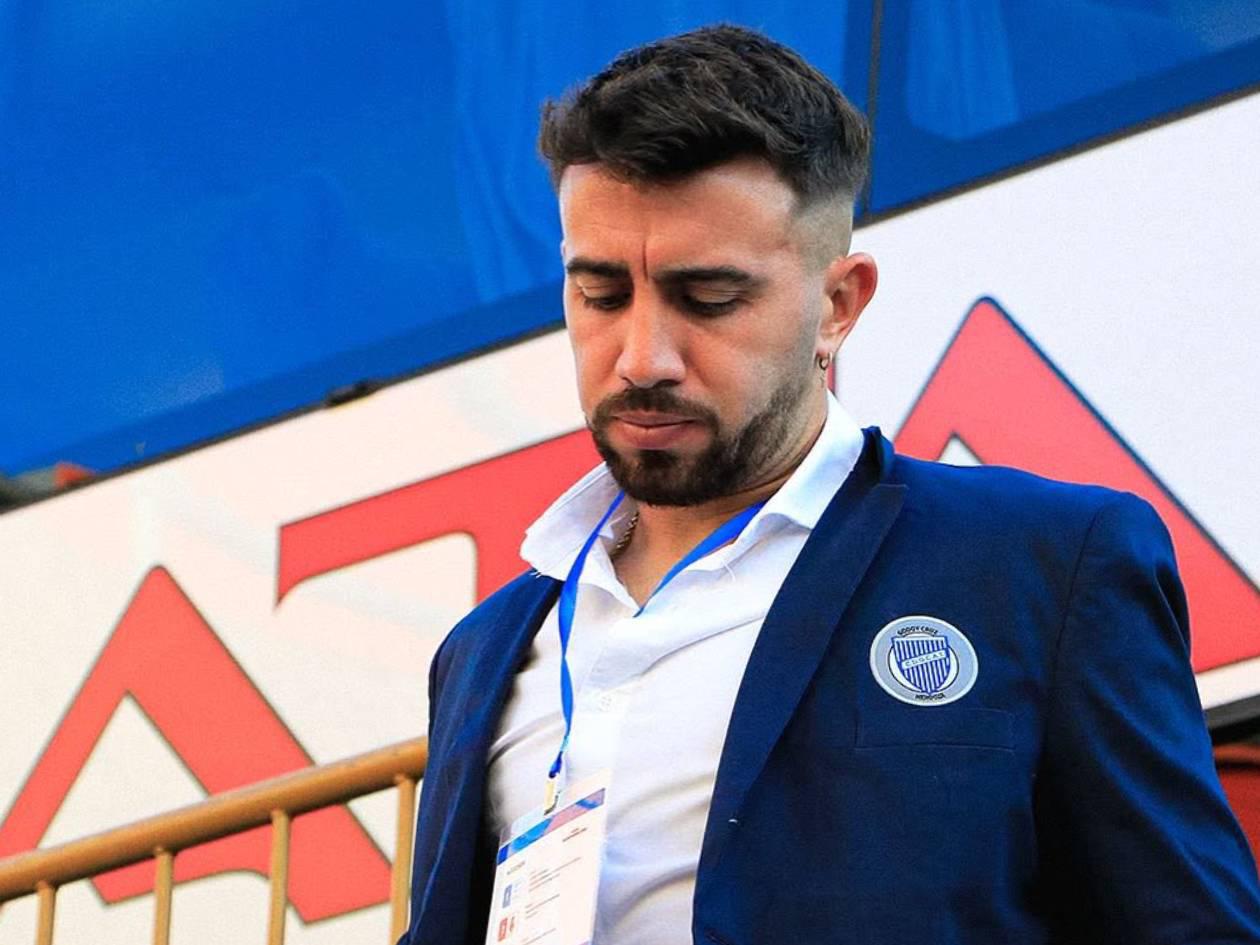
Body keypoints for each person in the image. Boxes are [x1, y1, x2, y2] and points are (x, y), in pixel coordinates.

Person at [398, 24, 1260, 945]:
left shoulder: (1045, 565)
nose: (642, 357)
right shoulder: (479, 652)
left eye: (708, 297)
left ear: (838, 305)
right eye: (601, 295)